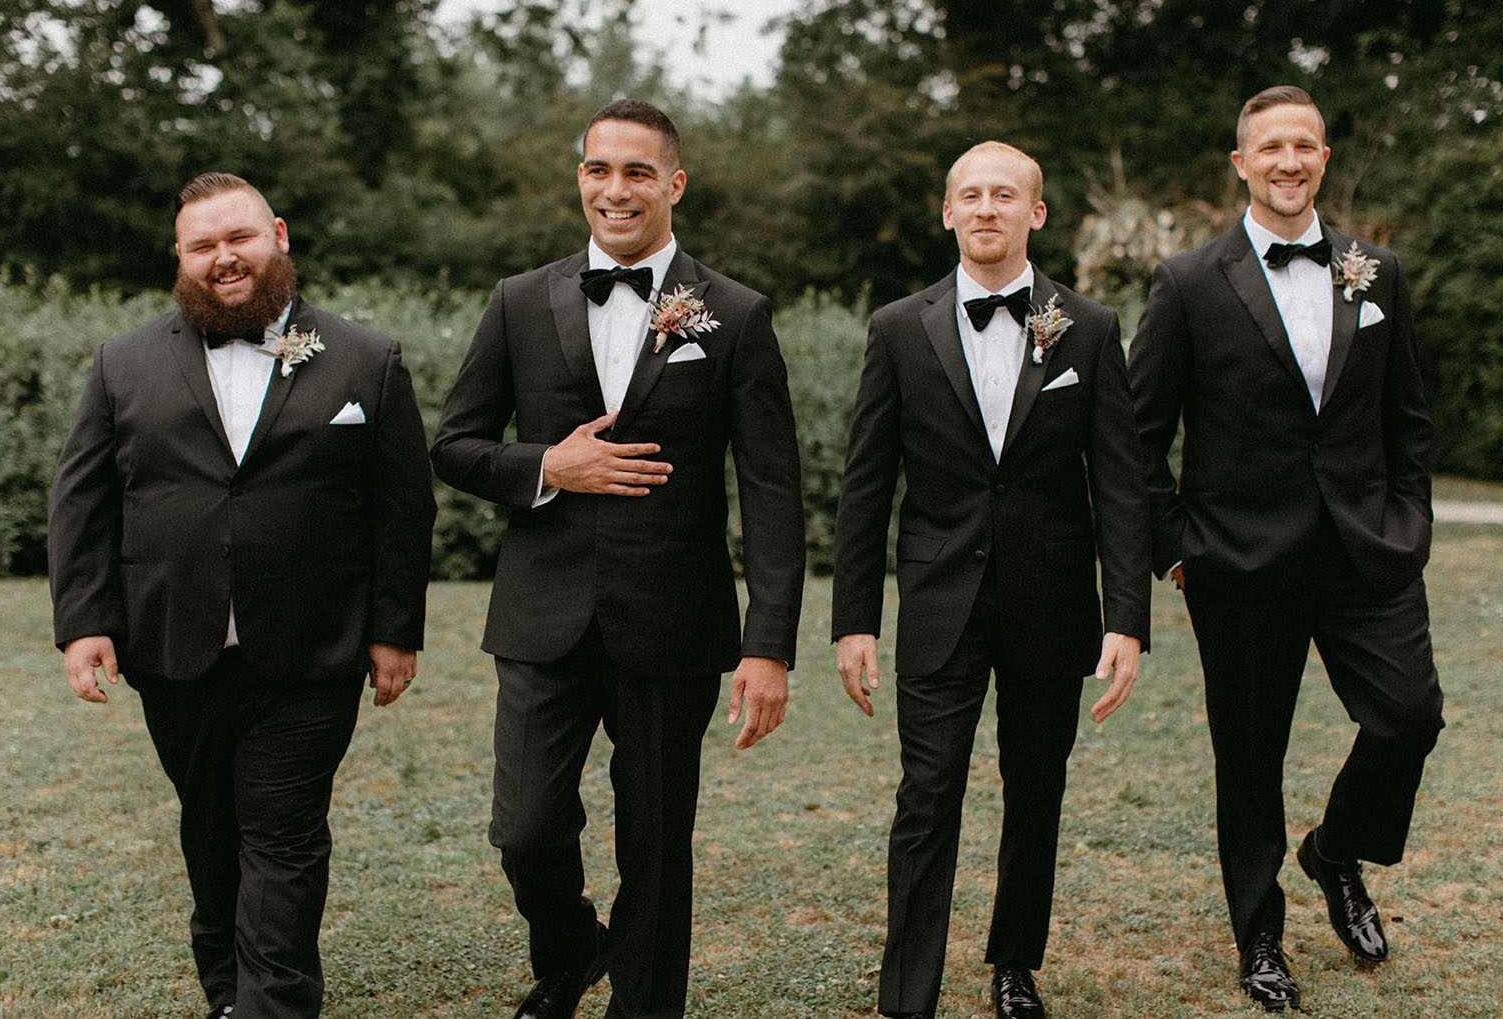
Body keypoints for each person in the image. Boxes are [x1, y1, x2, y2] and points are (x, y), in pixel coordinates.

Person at [431, 98, 805, 1019]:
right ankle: (568, 953)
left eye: (637, 171)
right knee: (523, 828)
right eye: (599, 169)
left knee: (656, 842)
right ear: (580, 180)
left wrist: (769, 644)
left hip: (671, 620)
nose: (615, 188)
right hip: (540, 615)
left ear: (673, 184)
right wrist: (547, 464)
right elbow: (453, 443)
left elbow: (771, 491)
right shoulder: (520, 300)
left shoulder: (738, 314)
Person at [48, 172, 437, 1019]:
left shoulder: (367, 359)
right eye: (203, 245)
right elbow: (81, 500)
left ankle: (273, 1005)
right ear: (181, 257)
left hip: (312, 647)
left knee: (284, 833)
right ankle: (228, 991)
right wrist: (83, 624)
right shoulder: (124, 362)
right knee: (210, 826)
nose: (224, 257)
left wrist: (394, 627)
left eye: (241, 237)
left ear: (279, 236)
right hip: (172, 643)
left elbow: (402, 508)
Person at [1126, 86, 1444, 1011]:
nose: (1288, 160)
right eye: (1270, 146)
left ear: (1324, 158)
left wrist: (1408, 520)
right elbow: (1139, 435)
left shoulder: (1373, 270)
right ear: (1240, 163)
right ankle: (1259, 936)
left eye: (1304, 144)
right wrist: (1175, 548)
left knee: (1408, 715)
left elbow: (1408, 418)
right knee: (1250, 757)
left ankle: (1335, 852)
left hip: (1365, 555)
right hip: (1238, 562)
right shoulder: (1187, 282)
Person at [832, 141, 1150, 1019]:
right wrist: (852, 618)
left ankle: (1014, 964)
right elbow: (865, 483)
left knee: (1035, 787)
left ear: (1034, 213)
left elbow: (1119, 483)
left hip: (1053, 605)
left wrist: (1125, 617)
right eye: (968, 195)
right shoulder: (899, 326)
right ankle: (908, 994)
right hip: (937, 602)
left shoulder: (1087, 327)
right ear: (946, 212)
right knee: (926, 793)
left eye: (1003, 195)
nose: (985, 209)